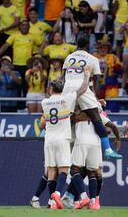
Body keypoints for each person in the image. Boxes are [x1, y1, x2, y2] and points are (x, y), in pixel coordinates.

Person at [62, 37, 122, 159]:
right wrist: (94, 98)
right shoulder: (93, 58)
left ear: (76, 45)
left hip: (67, 87)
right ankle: (108, 150)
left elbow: (63, 76)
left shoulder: (69, 57)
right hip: (82, 87)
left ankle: (47, 132)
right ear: (88, 47)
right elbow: (96, 81)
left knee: (65, 117)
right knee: (96, 117)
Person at [41, 67, 90, 209]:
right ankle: (57, 193)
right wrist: (86, 75)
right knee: (63, 170)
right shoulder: (67, 98)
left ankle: (51, 203)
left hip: (49, 139)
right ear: (62, 90)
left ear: (50, 90)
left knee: (51, 171)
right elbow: (82, 89)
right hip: (62, 138)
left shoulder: (45, 102)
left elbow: (43, 122)